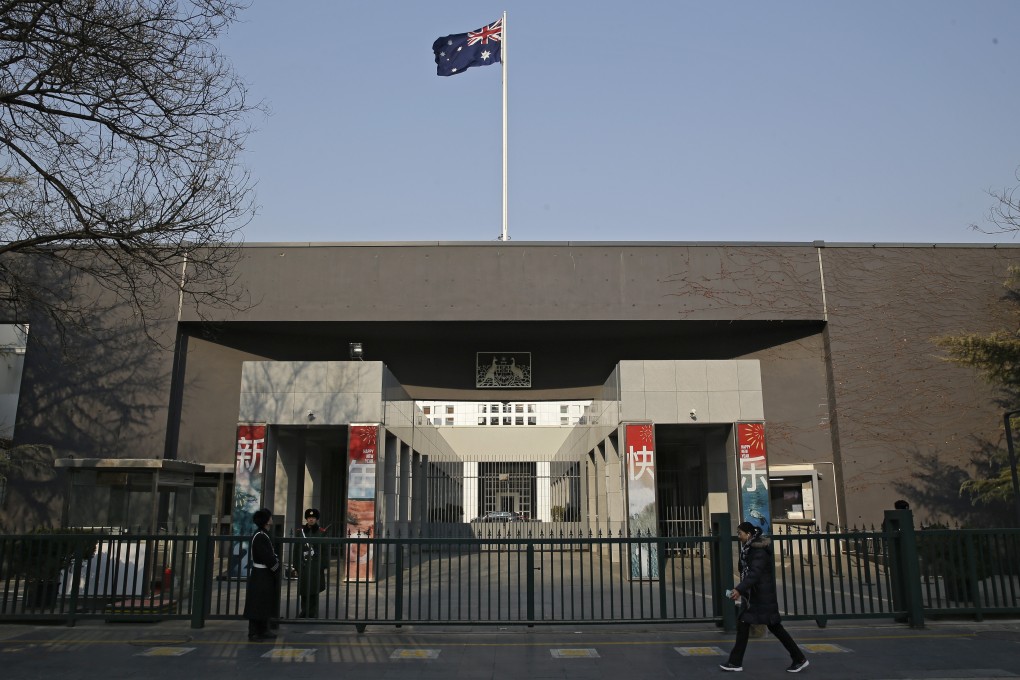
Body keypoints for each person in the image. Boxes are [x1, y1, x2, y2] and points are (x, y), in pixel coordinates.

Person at [720, 522, 809, 673]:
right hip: (754, 596)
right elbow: (746, 571)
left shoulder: (758, 551)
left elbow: (754, 574)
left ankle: (799, 658)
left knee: (775, 627)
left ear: (748, 534)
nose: (738, 536)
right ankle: (735, 662)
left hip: (761, 596)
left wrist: (739, 589)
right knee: (743, 624)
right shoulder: (748, 549)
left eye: (740, 533)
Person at [243, 508, 279, 642]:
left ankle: (264, 629)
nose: (271, 519)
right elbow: (267, 556)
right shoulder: (260, 536)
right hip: (261, 573)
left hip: (264, 573)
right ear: (266, 521)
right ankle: (253, 632)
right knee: (257, 603)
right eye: (269, 517)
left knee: (264, 602)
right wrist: (276, 566)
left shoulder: (263, 535)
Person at [297, 507, 327, 618]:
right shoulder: (300, 532)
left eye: (313, 518)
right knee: (304, 590)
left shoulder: (321, 532)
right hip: (304, 565)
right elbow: (297, 550)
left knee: (314, 589)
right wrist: (296, 565)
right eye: (309, 517)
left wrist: (323, 565)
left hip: (316, 565)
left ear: (316, 519)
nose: (311, 520)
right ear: (306, 518)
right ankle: (304, 610)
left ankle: (312, 611)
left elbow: (325, 550)